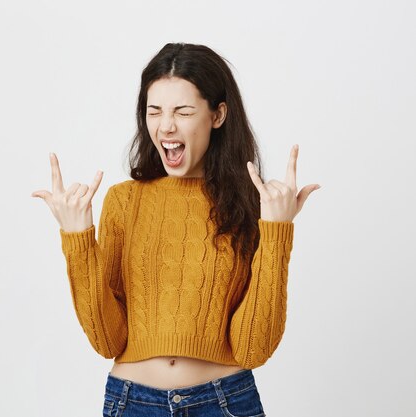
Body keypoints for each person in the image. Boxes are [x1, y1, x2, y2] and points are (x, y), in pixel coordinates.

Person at [31, 42, 319, 417]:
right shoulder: (124, 202)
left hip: (225, 402)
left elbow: (253, 349)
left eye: (182, 111)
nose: (166, 125)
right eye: (154, 111)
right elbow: (108, 340)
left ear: (218, 115)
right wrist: (77, 238)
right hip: (132, 402)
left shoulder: (254, 202)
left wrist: (277, 231)